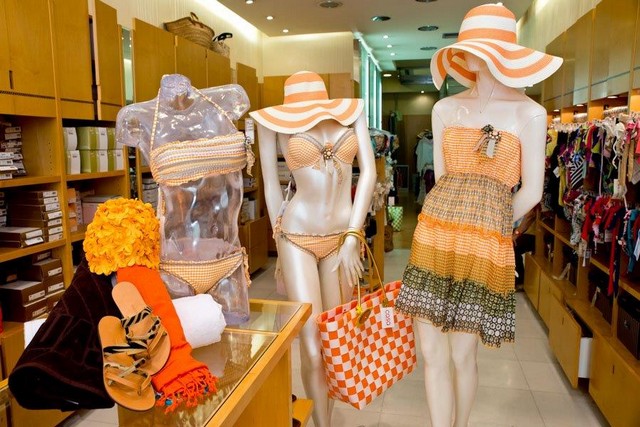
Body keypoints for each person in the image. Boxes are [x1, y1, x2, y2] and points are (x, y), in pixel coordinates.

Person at [394, 4, 562, 427]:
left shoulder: (530, 113)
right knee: (431, 351)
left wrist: (492, 227)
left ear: (494, 52)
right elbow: (443, 179)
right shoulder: (445, 109)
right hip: (435, 234)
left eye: (473, 46)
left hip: (485, 243)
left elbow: (532, 191)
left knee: (462, 353)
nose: (462, 53)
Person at [250, 71, 376, 427]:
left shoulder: (353, 114)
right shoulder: (270, 124)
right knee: (311, 345)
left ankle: (325, 420)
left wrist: (353, 235)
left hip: (342, 238)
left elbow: (368, 173)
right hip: (297, 236)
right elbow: (271, 184)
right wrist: (278, 239)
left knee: (335, 342)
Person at [116, 74, 254, 324]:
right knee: (185, 340)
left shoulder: (229, 99)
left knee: (239, 342)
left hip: (227, 260)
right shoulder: (136, 116)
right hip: (174, 266)